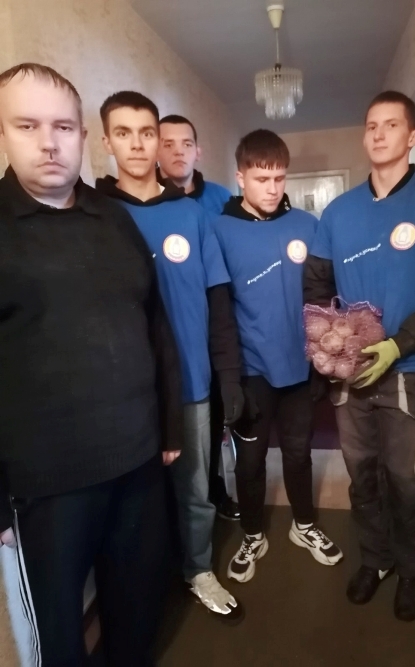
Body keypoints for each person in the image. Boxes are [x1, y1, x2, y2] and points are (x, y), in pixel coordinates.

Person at [0, 63, 183, 667]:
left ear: (82, 136)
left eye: (62, 127)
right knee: (58, 634)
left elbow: (154, 323)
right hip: (46, 485)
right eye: (27, 125)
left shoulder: (114, 218)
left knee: (138, 606)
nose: (49, 143)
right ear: (3, 134)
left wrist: (169, 427)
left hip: (137, 462)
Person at [304, 91, 415, 621]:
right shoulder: (338, 212)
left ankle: (410, 569)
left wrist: (398, 344)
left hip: (413, 372)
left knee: (407, 481)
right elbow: (316, 287)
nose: (379, 134)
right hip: (351, 376)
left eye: (391, 125)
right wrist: (328, 340)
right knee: (362, 477)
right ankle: (375, 559)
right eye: (371, 125)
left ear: (413, 136)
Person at [96, 92, 244, 623]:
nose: (137, 145)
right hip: (126, 393)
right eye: (124, 133)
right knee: (137, 501)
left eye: (147, 133)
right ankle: (148, 585)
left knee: (196, 491)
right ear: (106, 141)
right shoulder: (96, 215)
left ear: (159, 141)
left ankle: (198, 568)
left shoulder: (191, 213)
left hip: (192, 385)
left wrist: (229, 376)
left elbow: (218, 302)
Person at [212, 129, 343, 584]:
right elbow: (219, 310)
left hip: (301, 365)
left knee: (299, 452)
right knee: (249, 462)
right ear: (240, 177)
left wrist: (323, 360)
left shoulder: (307, 225)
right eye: (261, 178)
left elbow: (322, 298)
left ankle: (304, 525)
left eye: (279, 178)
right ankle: (253, 534)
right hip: (252, 370)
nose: (272, 188)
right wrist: (229, 379)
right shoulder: (219, 229)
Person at [157, 114, 238, 521]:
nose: (178, 152)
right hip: (170, 337)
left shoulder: (222, 200)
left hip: (216, 328)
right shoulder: (144, 205)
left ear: (198, 151)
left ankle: (215, 490)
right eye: (167, 143)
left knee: (214, 422)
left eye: (185, 143)